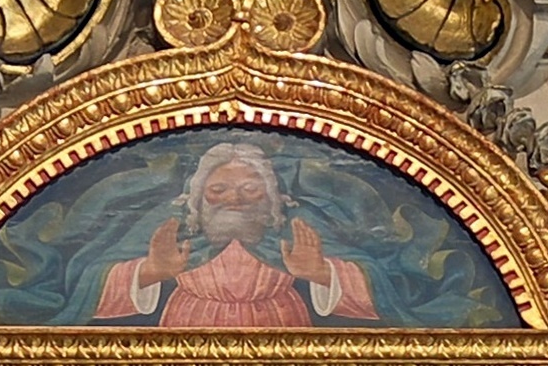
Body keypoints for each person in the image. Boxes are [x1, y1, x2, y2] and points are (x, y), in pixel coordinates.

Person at [92, 139, 378, 329]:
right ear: (199, 197)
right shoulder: (174, 234)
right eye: (219, 190)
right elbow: (87, 277)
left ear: (270, 197)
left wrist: (321, 273)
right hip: (187, 337)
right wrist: (150, 272)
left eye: (250, 189)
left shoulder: (295, 232)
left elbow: (380, 274)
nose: (234, 199)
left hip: (283, 336)